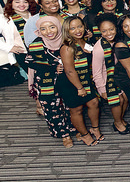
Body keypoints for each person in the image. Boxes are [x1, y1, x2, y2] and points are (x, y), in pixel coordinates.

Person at [26, 16, 74, 148]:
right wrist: (52, 67)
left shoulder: (67, 40)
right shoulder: (36, 43)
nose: (48, 31)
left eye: (52, 27)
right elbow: (30, 62)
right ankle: (64, 135)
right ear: (39, 30)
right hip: (46, 81)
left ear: (58, 27)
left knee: (71, 105)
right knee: (53, 108)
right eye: (43, 29)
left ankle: (74, 129)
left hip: (67, 78)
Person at [57, 16, 101, 146]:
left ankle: (95, 128)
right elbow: (69, 71)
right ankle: (84, 135)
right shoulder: (67, 47)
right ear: (67, 30)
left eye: (80, 26)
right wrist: (79, 88)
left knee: (93, 102)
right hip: (71, 82)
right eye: (73, 28)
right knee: (77, 110)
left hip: (85, 79)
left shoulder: (84, 41)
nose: (77, 30)